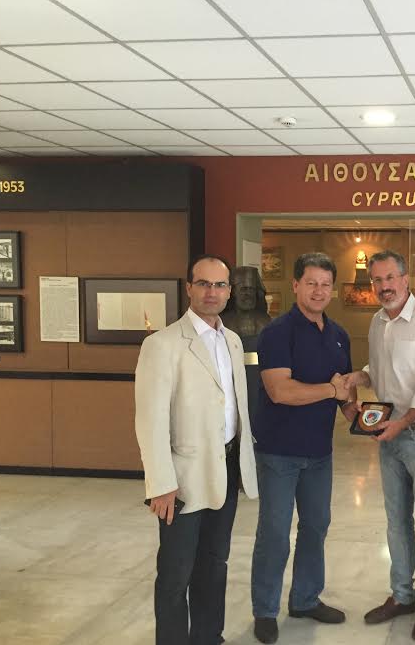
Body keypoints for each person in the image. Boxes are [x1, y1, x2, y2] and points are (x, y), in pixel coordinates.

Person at [135, 253, 259, 645]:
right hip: (183, 478)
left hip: (226, 468)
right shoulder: (162, 344)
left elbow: (235, 406)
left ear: (229, 292)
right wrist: (161, 484)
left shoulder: (233, 341)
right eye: (203, 283)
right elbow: (150, 421)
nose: (212, 292)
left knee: (214, 564)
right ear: (189, 288)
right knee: (176, 573)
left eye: (220, 285)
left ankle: (208, 637)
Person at [344, 250, 415, 641]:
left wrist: (402, 424)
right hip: (389, 435)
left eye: (390, 277)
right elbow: (381, 369)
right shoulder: (378, 322)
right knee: (396, 522)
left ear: (406, 279)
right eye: (377, 280)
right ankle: (402, 596)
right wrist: (359, 377)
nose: (384, 286)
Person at [251, 252, 356, 644]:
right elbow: (280, 391)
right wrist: (331, 390)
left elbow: (345, 392)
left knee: (316, 527)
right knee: (275, 534)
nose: (318, 291)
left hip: (319, 453)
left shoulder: (339, 335)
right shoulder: (277, 332)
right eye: (311, 283)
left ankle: (305, 599)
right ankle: (265, 610)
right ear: (295, 285)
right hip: (279, 452)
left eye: (325, 284)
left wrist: (361, 413)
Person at [220, 266, 271, 338]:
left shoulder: (265, 321)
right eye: (243, 289)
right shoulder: (222, 322)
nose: (248, 293)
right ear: (233, 292)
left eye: (251, 289)